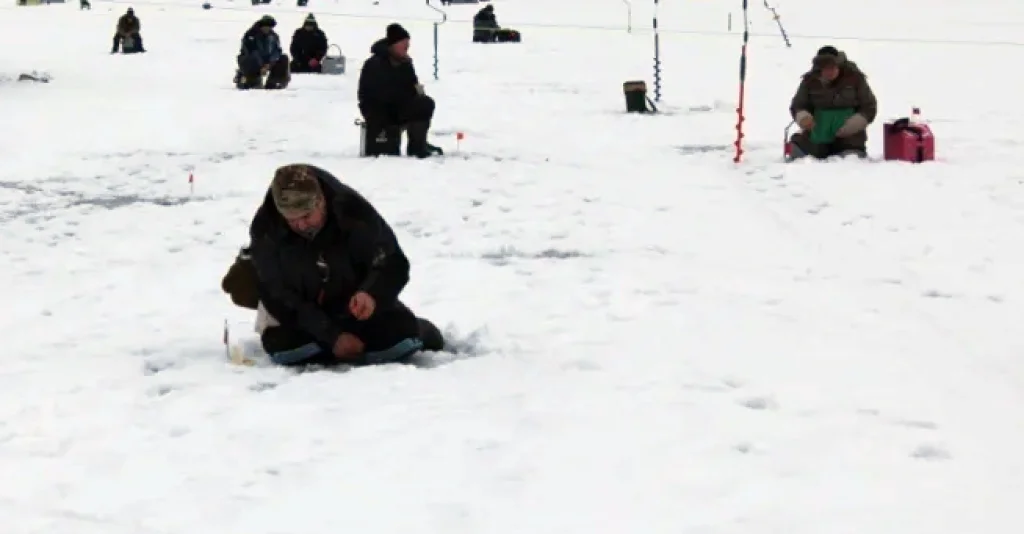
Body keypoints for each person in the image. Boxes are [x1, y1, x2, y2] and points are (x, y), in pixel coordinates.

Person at [247, 164, 445, 367]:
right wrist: (332, 336)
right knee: (283, 350)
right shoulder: (265, 228)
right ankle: (335, 348)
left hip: (354, 307)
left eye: (306, 216)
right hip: (303, 315)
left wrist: (371, 294)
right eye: (292, 220)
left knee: (401, 337)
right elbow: (275, 291)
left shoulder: (353, 211)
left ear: (321, 202)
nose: (301, 226)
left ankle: (416, 331)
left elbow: (392, 261)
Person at [357, 23, 443, 158]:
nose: (407, 47)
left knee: (425, 104)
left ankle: (418, 147)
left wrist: (418, 94)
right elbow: (376, 94)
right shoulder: (375, 63)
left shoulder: (406, 64)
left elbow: (412, 86)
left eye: (408, 43)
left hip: (398, 107)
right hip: (377, 109)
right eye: (404, 43)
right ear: (393, 44)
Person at [788, 46, 877, 160]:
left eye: (832, 67)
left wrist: (854, 124)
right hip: (817, 134)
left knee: (850, 160)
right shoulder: (810, 81)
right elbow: (798, 105)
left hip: (849, 137)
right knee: (797, 149)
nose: (829, 72)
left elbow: (869, 106)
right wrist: (803, 118)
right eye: (825, 68)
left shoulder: (855, 78)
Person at [235, 15, 291, 90]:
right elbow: (251, 51)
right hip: (251, 61)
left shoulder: (274, 36)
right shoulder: (250, 35)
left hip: (267, 62)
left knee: (283, 58)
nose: (267, 28)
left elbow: (277, 51)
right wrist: (262, 65)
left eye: (269, 26)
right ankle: (244, 78)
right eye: (265, 26)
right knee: (250, 84)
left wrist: (269, 63)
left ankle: (275, 81)